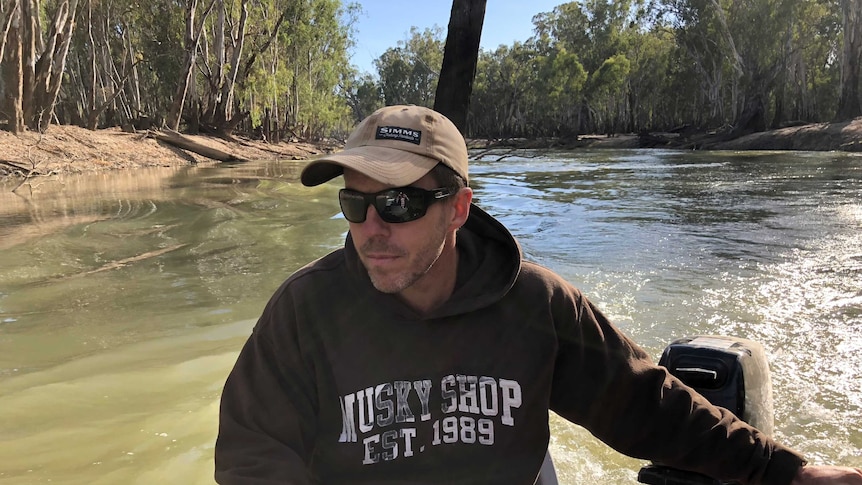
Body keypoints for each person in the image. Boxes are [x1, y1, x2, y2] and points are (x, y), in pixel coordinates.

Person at [215, 105, 862, 485]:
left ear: (458, 209)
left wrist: (790, 472)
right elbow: (251, 454)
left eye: (399, 202)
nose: (371, 229)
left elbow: (647, 403)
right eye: (354, 202)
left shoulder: (535, 305)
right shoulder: (305, 312)